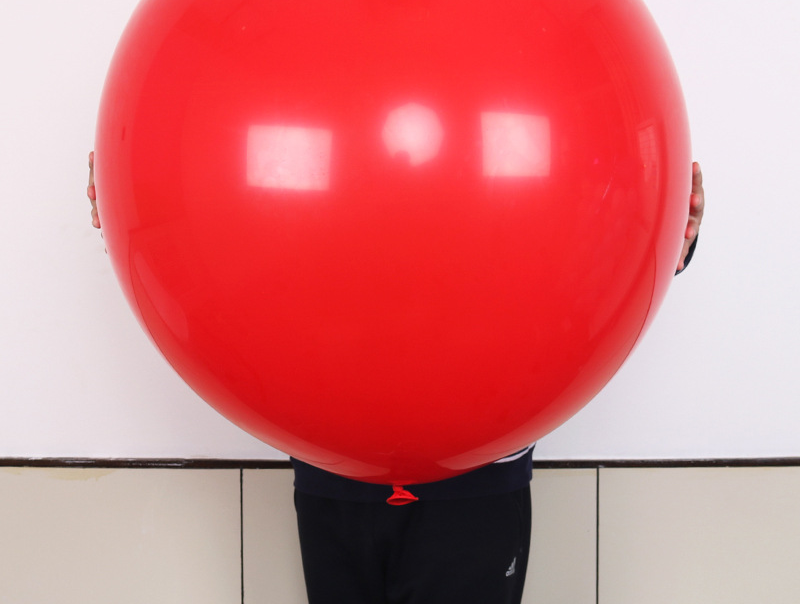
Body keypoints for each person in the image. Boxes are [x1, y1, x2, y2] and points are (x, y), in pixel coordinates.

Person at [88, 154, 704, 604]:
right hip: (334, 471)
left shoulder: (494, 136)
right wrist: (132, 201)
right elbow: (243, 263)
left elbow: (570, 261)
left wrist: (668, 239)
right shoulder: (319, 151)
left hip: (475, 479)